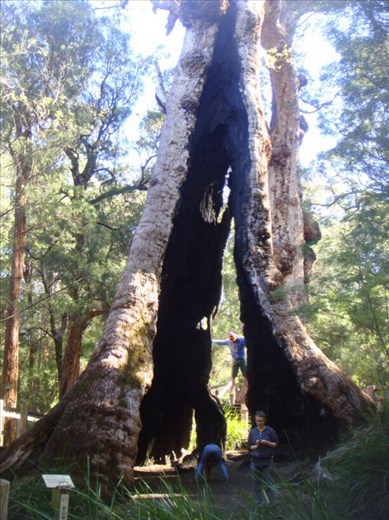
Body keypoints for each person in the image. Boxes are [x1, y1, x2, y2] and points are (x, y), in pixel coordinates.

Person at [247, 411, 278, 505]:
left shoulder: (270, 431)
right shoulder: (253, 432)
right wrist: (256, 446)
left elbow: (276, 444)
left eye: (261, 421)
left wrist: (266, 442)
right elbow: (248, 447)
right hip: (255, 461)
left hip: (267, 461)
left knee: (269, 485)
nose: (259, 422)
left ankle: (271, 505)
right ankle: (258, 505)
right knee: (256, 485)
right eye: (257, 421)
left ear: (264, 420)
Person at [212, 331, 247, 403]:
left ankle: (246, 388)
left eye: (234, 339)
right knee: (233, 377)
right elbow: (219, 342)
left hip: (242, 359)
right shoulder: (228, 342)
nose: (233, 341)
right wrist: (210, 340)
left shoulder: (242, 340)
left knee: (246, 375)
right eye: (231, 340)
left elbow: (249, 341)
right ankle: (232, 393)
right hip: (235, 361)